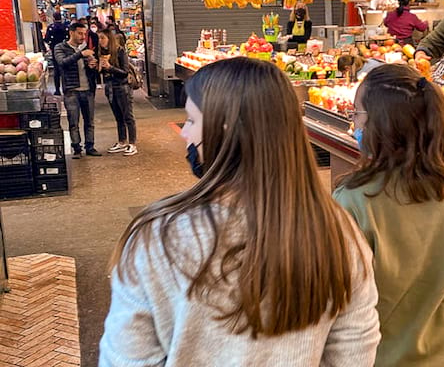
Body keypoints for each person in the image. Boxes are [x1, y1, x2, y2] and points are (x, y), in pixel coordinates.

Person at [99, 57, 381, 366]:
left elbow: (125, 357)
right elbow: (354, 352)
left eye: (191, 121)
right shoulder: (337, 232)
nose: (184, 134)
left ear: (225, 129)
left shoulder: (158, 237)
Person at [333, 64, 444, 367]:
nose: (354, 124)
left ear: (381, 125)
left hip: (381, 355)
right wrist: (440, 289)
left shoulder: (353, 199)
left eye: (357, 114)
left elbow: (337, 289)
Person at [54, 22, 102, 158]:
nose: (83, 37)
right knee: (73, 121)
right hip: (72, 90)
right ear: (71, 32)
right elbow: (62, 62)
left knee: (89, 121)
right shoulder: (60, 47)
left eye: (84, 34)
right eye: (80, 33)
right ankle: (76, 148)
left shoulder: (86, 48)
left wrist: (92, 66)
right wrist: (80, 54)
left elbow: (90, 69)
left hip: (88, 90)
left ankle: (90, 146)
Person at [98, 29, 138, 156]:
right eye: (99, 38)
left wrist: (110, 67)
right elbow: (102, 73)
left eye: (102, 38)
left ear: (109, 39)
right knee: (118, 117)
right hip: (109, 87)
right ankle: (122, 141)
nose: (100, 41)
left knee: (128, 116)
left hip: (122, 87)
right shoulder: (101, 53)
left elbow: (125, 71)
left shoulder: (119, 51)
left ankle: (132, 144)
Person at [44, 12, 67, 95]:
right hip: (65, 50)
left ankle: (57, 90)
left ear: (53, 18)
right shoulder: (65, 27)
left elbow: (47, 39)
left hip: (54, 50)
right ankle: (66, 89)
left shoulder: (51, 27)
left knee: (56, 71)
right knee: (65, 70)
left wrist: (50, 45)